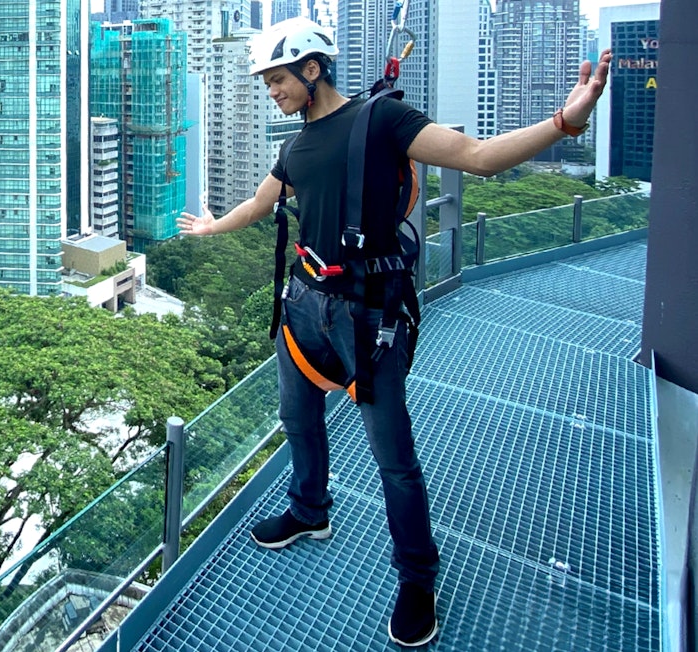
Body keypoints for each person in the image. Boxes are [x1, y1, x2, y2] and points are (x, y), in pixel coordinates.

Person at [176, 16, 611, 648]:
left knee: (394, 461)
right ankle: (309, 511)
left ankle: (416, 577)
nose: (271, 91)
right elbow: (263, 203)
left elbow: (478, 158)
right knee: (298, 419)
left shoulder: (381, 121)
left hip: (367, 314)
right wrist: (215, 227)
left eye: (277, 80)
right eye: (266, 82)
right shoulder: (295, 145)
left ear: (312, 69)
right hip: (303, 304)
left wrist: (565, 122)